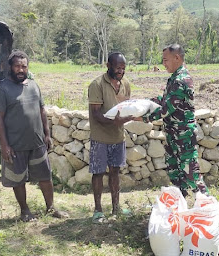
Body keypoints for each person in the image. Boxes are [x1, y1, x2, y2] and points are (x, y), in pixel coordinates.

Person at [0, 50, 68, 222]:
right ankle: (25, 211)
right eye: (17, 66)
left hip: (37, 142)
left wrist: (47, 135)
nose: (20, 70)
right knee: (18, 180)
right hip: (15, 144)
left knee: (45, 176)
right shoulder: (2, 89)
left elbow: (42, 111)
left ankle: (51, 208)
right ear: (10, 67)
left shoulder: (33, 85)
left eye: (24, 66)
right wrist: (4, 145)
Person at [142, 44, 207, 196]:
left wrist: (141, 117)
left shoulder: (181, 80)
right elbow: (164, 100)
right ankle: (180, 206)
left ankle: (207, 207)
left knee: (191, 175)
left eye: (166, 60)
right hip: (173, 135)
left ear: (177, 58)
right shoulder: (174, 78)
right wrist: (144, 103)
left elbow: (166, 109)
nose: (163, 64)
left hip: (183, 136)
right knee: (175, 174)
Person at [87, 52, 134, 223]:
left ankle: (116, 207)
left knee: (115, 172)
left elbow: (127, 107)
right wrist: (116, 121)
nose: (121, 71)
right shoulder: (97, 84)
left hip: (118, 137)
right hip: (100, 138)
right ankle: (98, 210)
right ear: (108, 66)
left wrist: (131, 116)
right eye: (117, 67)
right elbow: (96, 114)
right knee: (98, 173)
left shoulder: (125, 84)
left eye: (123, 68)